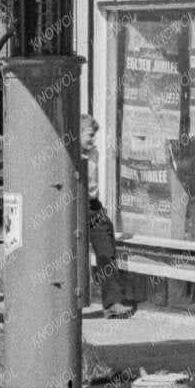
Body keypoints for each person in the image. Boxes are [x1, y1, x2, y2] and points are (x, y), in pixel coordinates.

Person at [78, 114, 137, 319]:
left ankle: (113, 302)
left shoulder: (93, 153)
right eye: (90, 135)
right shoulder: (67, 154)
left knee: (106, 249)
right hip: (73, 206)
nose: (93, 139)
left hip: (93, 206)